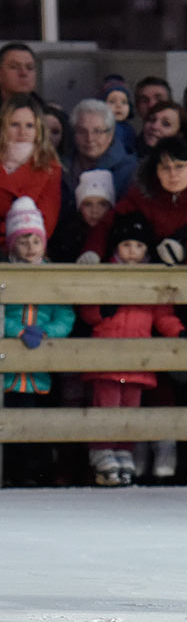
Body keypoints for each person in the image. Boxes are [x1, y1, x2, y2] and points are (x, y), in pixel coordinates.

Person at [78, 212, 187, 486]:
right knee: (106, 406)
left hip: (138, 359)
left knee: (130, 408)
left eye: (139, 246)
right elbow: (87, 311)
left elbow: (162, 315)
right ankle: (101, 452)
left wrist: (179, 331)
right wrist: (101, 311)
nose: (132, 252)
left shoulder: (151, 278)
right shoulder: (106, 274)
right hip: (107, 356)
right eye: (126, 246)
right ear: (116, 248)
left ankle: (123, 451)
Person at [2, 197, 76, 487]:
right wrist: (18, 331)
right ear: (12, 245)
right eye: (23, 241)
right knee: (10, 421)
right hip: (9, 369)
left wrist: (48, 333)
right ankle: (11, 473)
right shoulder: (5, 274)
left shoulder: (52, 275)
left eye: (36, 240)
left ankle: (37, 475)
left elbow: (65, 314)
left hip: (41, 368)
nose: (31, 247)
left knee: (39, 423)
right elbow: (2, 314)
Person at [79, 135, 187, 266]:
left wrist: (185, 252)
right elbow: (106, 224)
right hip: (148, 275)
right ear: (156, 171)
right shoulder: (141, 196)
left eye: (179, 167)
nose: (173, 174)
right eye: (165, 168)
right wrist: (93, 251)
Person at [1, 95, 62, 250]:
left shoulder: (50, 169)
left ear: (38, 129)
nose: (22, 132)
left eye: (29, 125)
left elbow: (46, 223)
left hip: (28, 253)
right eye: (14, 124)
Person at [65, 99, 137, 199]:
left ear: (110, 135)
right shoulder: (61, 166)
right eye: (82, 131)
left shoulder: (129, 170)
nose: (89, 138)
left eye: (97, 131)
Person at [48, 169, 116, 264]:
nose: (95, 211)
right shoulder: (66, 236)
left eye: (102, 204)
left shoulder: (117, 235)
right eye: (88, 204)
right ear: (80, 208)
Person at [102, 85, 137, 156]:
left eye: (124, 102)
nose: (118, 106)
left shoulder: (130, 129)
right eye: (112, 102)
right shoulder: (103, 127)